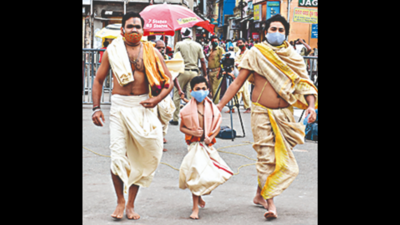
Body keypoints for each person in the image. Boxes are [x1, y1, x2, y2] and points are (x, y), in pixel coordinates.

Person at [216, 14, 318, 220]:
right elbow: (237, 83)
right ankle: (270, 202)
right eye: (273, 29)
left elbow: (305, 83)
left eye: (281, 30)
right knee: (266, 156)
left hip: (285, 114)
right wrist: (219, 106)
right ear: (266, 32)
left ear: (286, 34)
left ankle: (258, 195)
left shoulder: (294, 56)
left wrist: (311, 106)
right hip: (261, 110)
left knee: (278, 156)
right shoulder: (257, 53)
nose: (277, 33)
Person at [91, 12, 174, 220]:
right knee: (118, 155)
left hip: (144, 105)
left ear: (143, 30)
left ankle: (131, 204)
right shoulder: (112, 51)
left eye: (138, 26)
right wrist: (96, 107)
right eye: (130, 26)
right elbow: (99, 80)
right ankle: (120, 201)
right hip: (119, 107)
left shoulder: (152, 52)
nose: (134, 30)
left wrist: (156, 101)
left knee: (143, 155)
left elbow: (168, 81)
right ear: (123, 30)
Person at [179, 76, 233, 219]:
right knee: (195, 172)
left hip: (207, 146)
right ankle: (195, 207)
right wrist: (192, 132)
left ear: (208, 90)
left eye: (204, 88)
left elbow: (217, 127)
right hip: (195, 145)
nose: (201, 91)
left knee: (208, 175)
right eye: (198, 89)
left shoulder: (213, 109)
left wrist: (211, 136)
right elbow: (182, 127)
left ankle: (200, 195)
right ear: (192, 91)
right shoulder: (186, 110)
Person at [170, 27, 208, 126]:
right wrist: (205, 75)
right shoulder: (198, 45)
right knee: (191, 95)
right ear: (191, 35)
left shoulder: (179, 44)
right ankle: (192, 117)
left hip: (182, 72)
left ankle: (175, 118)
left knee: (177, 95)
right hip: (195, 73)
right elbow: (203, 61)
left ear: (182, 35)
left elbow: (175, 60)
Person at [154, 39, 186, 151]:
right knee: (155, 117)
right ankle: (157, 141)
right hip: (153, 92)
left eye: (162, 48)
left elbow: (174, 76)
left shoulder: (168, 60)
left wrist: (180, 90)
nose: (161, 50)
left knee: (166, 114)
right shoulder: (150, 59)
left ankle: (161, 135)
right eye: (158, 48)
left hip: (165, 92)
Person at [233, 38, 251, 114]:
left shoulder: (249, 52)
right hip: (238, 73)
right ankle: (233, 107)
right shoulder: (238, 53)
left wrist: (240, 64)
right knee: (238, 91)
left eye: (241, 43)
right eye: (238, 43)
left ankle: (248, 107)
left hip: (246, 73)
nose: (239, 44)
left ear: (245, 43)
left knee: (245, 91)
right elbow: (235, 61)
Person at [207, 35, 225, 104]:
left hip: (216, 71)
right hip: (210, 71)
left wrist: (219, 72)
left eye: (216, 41)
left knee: (216, 89)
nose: (215, 42)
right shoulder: (210, 50)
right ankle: (214, 103)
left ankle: (215, 105)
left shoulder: (220, 50)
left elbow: (222, 62)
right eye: (213, 41)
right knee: (212, 89)